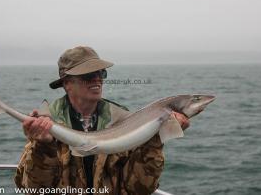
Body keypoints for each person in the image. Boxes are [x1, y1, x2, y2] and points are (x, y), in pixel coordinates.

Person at [14, 46, 190, 195]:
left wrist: (154, 139)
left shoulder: (123, 121)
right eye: (88, 75)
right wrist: (43, 148)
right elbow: (33, 190)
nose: (97, 78)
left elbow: (139, 189)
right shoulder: (46, 125)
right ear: (67, 83)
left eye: (100, 73)